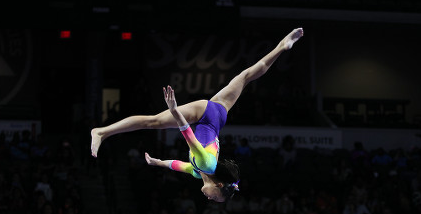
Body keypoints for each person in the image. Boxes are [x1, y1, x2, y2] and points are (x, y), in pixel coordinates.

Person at [91, 27, 304, 202]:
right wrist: (174, 110)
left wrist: (157, 162)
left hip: (218, 117)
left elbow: (176, 165)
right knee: (152, 121)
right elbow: (187, 134)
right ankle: (101, 132)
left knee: (246, 76)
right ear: (219, 185)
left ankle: (282, 46)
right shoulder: (207, 165)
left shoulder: (198, 172)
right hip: (206, 116)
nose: (210, 199)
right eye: (216, 197)